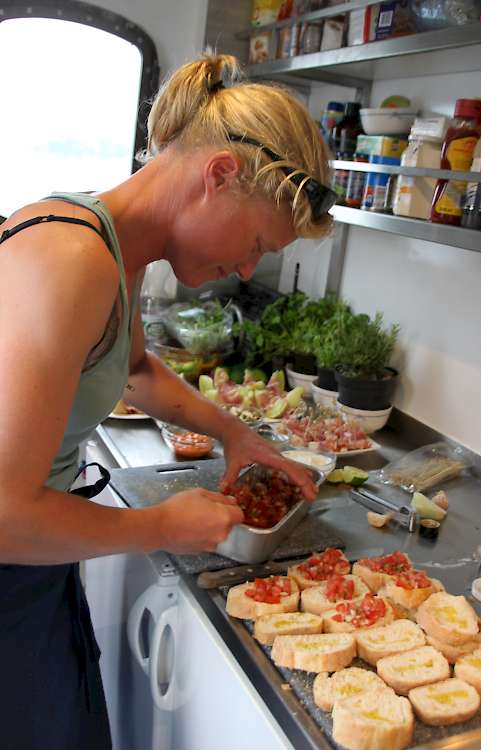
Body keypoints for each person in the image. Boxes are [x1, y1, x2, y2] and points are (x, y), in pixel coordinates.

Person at [0, 53, 334, 749]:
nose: (246, 270)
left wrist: (236, 435)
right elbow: (4, 514)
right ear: (218, 178)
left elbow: (133, 370)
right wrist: (161, 525)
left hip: (31, 575)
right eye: (255, 244)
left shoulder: (108, 246)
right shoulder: (71, 261)